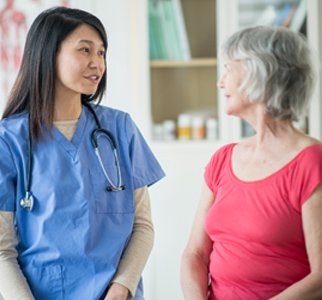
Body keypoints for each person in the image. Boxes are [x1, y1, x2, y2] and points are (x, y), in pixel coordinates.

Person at [0, 6, 165, 300]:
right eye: (84, 50)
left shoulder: (120, 128)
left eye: (101, 53)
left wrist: (121, 288)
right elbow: (1, 249)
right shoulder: (9, 140)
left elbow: (142, 226)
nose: (97, 63)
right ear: (48, 54)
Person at [180, 25, 322, 300]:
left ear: (262, 73)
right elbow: (194, 254)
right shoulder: (222, 160)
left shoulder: (312, 162)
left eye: (229, 69)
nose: (221, 82)